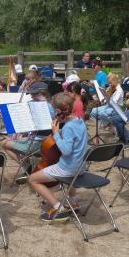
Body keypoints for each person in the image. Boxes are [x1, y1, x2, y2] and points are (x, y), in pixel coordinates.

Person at [28, 93, 88, 222]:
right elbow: (75, 140)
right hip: (81, 167)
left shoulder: (68, 127)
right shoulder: (80, 121)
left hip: (69, 168)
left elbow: (66, 151)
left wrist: (55, 133)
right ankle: (73, 202)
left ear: (60, 111)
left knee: (33, 179)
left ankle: (58, 208)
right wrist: (60, 133)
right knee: (70, 178)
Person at [2, 82, 54, 170]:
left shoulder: (42, 107)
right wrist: (21, 132)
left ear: (41, 93)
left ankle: (27, 167)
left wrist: (21, 131)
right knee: (12, 139)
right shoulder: (51, 105)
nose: (31, 96)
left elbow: (40, 128)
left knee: (4, 143)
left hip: (38, 144)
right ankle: (28, 165)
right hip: (43, 142)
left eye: (33, 94)